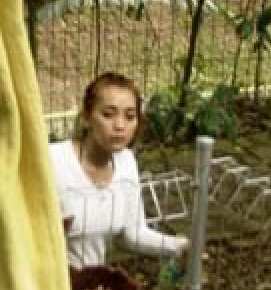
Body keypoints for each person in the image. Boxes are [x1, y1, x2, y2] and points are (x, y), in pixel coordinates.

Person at [51, 73, 188, 269]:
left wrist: (179, 246)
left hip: (91, 286)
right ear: (86, 117)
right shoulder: (54, 160)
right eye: (108, 114)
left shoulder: (126, 163)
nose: (120, 126)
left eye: (130, 116)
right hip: (44, 284)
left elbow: (133, 233)